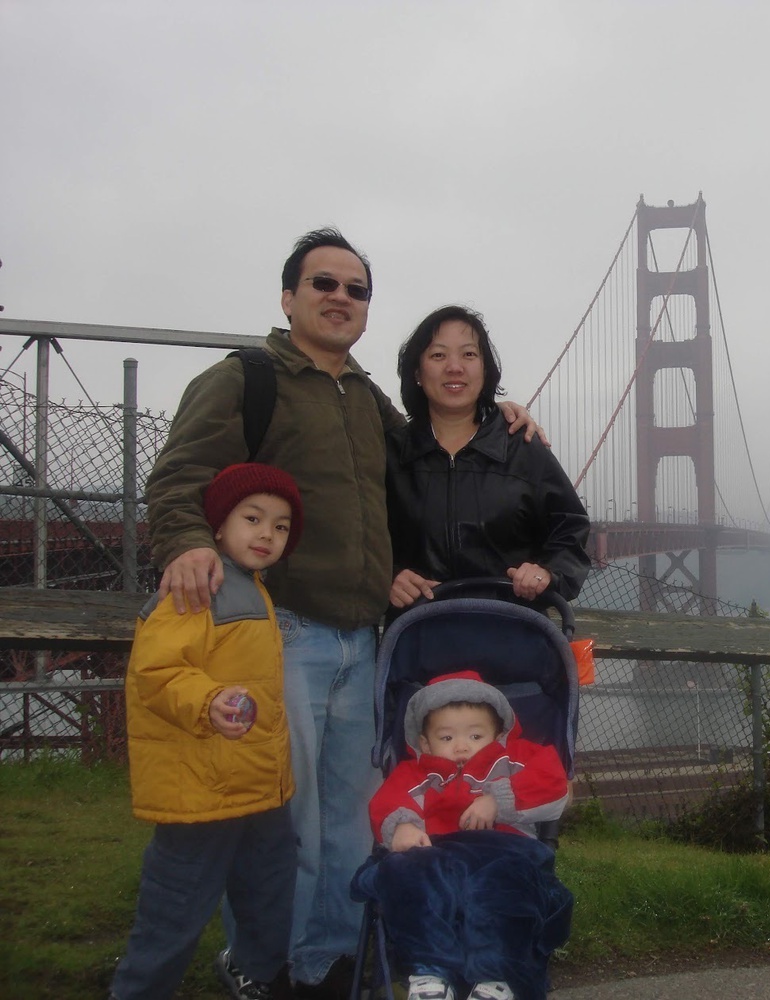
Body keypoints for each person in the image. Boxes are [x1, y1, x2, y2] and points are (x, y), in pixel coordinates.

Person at [145, 230, 543, 999]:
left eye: (356, 289)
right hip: (281, 629)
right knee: (285, 822)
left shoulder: (365, 399)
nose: (340, 297)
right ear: (288, 296)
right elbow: (180, 476)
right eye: (322, 283)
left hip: (363, 637)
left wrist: (496, 416)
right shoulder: (244, 380)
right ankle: (265, 965)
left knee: (350, 819)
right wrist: (188, 543)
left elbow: (427, 452)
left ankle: (327, 965)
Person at [111, 464, 303, 1000]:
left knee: (270, 889)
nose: (267, 534)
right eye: (252, 519)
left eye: (281, 526)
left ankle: (258, 974)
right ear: (217, 526)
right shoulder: (195, 587)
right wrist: (207, 699)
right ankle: (138, 990)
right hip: (202, 789)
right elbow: (156, 672)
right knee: (176, 906)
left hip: (259, 786)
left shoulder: (254, 589)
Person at [356, 671, 574, 1000]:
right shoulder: (414, 773)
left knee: (505, 888)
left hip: (504, 852)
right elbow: (388, 801)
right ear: (425, 743)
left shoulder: (515, 759)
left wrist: (497, 801)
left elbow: (555, 785)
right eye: (446, 738)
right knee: (406, 872)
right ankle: (430, 973)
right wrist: (401, 825)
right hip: (436, 853)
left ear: (499, 735)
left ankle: (497, 979)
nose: (462, 746)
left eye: (475, 736)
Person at [385, 304, 591, 613]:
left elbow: (570, 526)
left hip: (510, 631)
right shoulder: (390, 452)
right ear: (417, 372)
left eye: (469, 354)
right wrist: (388, 576)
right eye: (438, 355)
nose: (455, 367)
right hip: (418, 634)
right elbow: (356, 538)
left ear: (485, 369)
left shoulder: (522, 446)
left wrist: (548, 571)